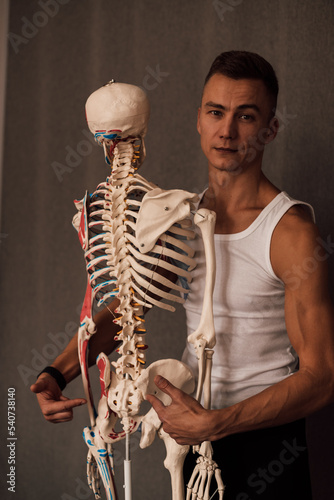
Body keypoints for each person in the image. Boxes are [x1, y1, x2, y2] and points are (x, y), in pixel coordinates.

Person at [31, 51, 334, 498]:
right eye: (216, 112)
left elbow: (322, 375)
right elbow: (132, 305)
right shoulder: (183, 218)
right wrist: (55, 374)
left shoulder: (290, 232)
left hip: (266, 445)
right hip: (190, 436)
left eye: (246, 116)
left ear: (269, 129)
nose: (227, 130)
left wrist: (220, 421)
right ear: (198, 120)